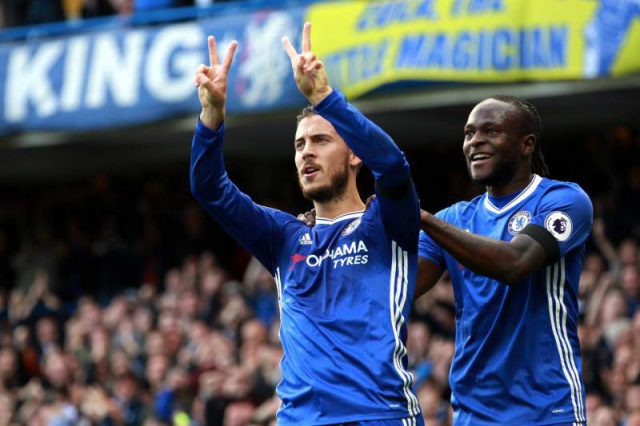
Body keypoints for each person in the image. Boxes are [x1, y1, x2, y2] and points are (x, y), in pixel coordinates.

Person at [190, 22, 423, 426]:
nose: (306, 153)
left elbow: (394, 168)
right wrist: (212, 115)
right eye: (299, 144)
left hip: (379, 416)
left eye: (321, 141)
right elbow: (210, 190)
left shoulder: (387, 223)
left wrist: (324, 98)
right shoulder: (283, 237)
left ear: (355, 156)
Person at [417, 95, 593, 425]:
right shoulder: (453, 219)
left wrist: (423, 219)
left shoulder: (563, 200)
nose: (475, 142)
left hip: (547, 410)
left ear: (526, 144)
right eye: (469, 133)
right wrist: (343, 223)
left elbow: (514, 263)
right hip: (473, 413)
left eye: (491, 131)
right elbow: (398, 288)